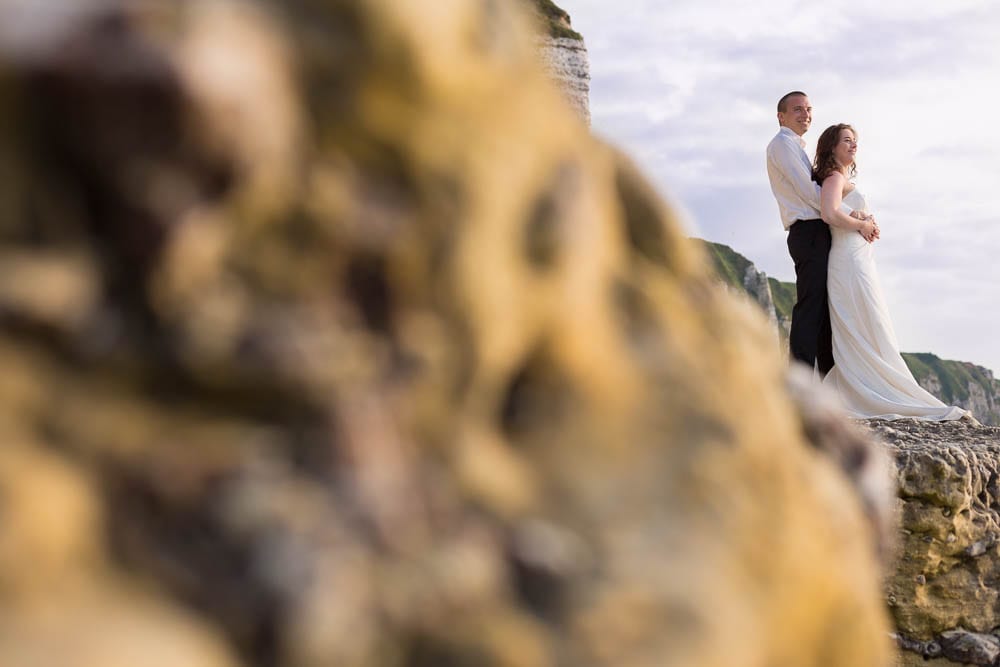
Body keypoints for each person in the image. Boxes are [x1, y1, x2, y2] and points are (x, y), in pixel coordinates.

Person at [813, 123, 970, 421]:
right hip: (848, 262)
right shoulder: (834, 175)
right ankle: (872, 391)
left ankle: (880, 386)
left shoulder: (841, 176)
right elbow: (829, 212)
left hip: (857, 259)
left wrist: (861, 218)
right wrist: (862, 224)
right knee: (864, 323)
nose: (853, 145)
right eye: (846, 140)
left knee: (871, 322)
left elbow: (839, 211)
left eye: (855, 140)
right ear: (832, 146)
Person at [766, 91, 877, 377]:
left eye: (808, 109)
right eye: (797, 110)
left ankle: (829, 378)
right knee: (811, 304)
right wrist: (852, 214)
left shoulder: (795, 147)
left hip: (817, 231)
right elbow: (810, 193)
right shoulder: (782, 145)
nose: (805, 114)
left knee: (825, 308)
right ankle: (801, 379)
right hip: (808, 230)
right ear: (781, 116)